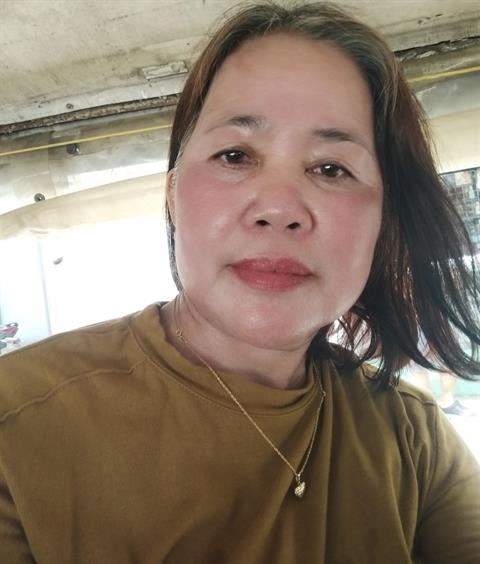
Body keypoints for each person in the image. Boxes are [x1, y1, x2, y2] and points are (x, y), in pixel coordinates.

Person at [0, 2, 479, 563]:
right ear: (173, 194)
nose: (279, 208)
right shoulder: (18, 423)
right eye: (235, 155)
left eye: (331, 168)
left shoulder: (414, 437)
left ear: (383, 220)